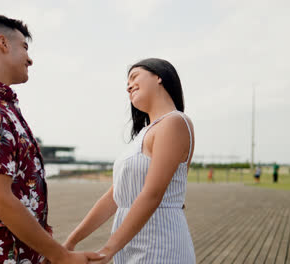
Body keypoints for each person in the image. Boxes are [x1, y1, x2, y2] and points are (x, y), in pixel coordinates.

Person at [0, 15, 103, 264]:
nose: (30, 58)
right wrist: (61, 256)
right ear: (3, 43)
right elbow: (0, 199)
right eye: (24, 47)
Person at [63, 58, 196, 263]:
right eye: (127, 83)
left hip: (161, 242)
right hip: (129, 242)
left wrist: (108, 250)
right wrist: (71, 242)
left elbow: (152, 194)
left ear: (159, 76)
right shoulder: (145, 133)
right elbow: (114, 197)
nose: (128, 86)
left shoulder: (174, 122)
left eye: (134, 77)